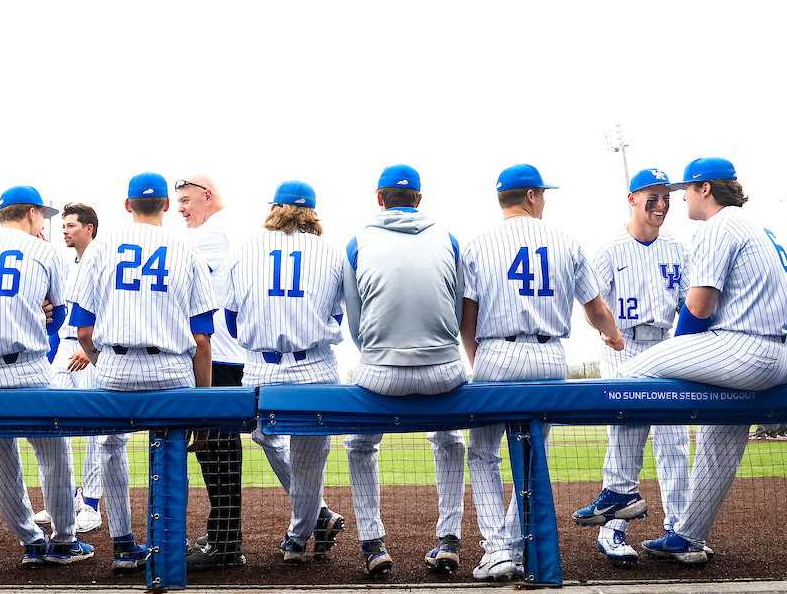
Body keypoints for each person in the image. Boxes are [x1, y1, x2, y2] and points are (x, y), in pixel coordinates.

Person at [460, 164, 624, 583]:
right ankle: (514, 544)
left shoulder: (478, 245)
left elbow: (467, 319)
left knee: (482, 452)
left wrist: (481, 361)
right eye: (543, 194)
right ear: (531, 196)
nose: (545, 201)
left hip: (497, 351)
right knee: (534, 453)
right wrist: (612, 336)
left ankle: (497, 550)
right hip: (551, 358)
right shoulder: (565, 241)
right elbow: (596, 309)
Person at [621, 158, 787, 565]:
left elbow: (698, 308)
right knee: (719, 443)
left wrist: (677, 357)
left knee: (630, 373)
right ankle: (687, 539)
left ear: (706, 189)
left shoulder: (719, 225)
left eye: (686, 190)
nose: (682, 198)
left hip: (743, 349)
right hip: (775, 355)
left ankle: (618, 490)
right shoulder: (761, 229)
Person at [69, 172, 218, 573]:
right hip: (170, 368)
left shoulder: (101, 249)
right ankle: (166, 545)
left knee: (111, 445)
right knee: (170, 445)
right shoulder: (186, 250)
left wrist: (107, 363)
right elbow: (202, 341)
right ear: (167, 206)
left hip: (114, 366)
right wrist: (201, 407)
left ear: (127, 205)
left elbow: (83, 331)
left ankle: (122, 545)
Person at [0, 186, 92, 567]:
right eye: (42, 217)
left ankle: (30, 541)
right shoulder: (44, 252)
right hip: (27, 366)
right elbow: (60, 316)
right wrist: (41, 312)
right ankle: (64, 541)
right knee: (55, 456)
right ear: (31, 214)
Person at [342, 165, 469, 576]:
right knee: (449, 437)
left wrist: (381, 354)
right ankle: (449, 538)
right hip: (444, 371)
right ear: (419, 199)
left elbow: (356, 324)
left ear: (379, 199)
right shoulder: (448, 238)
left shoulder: (357, 241)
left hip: (381, 372)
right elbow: (455, 310)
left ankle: (373, 543)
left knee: (360, 445)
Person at [571, 169, 693, 565]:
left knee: (674, 441)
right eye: (652, 198)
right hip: (623, 344)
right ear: (632, 199)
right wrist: (605, 331)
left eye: (666, 198)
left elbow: (688, 304)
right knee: (627, 432)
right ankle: (613, 531)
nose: (661, 205)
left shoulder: (677, 246)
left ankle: (680, 529)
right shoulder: (609, 248)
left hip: (665, 343)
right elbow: (591, 303)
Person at [223, 181, 345, 567]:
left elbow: (230, 317)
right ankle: (308, 525)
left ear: (274, 208)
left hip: (262, 365)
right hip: (315, 364)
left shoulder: (245, 247)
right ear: (312, 212)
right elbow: (338, 315)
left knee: (263, 432)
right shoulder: (331, 252)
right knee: (309, 458)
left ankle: (299, 534)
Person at [175, 174, 259, 568]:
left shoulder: (211, 235)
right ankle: (223, 534)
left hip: (219, 357)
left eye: (186, 200)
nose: (180, 209)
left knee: (217, 449)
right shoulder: (228, 230)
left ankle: (226, 544)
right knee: (217, 449)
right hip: (227, 354)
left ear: (207, 196)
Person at [45, 203, 105, 533]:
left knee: (97, 429)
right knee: (53, 420)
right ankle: (65, 498)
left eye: (71, 225)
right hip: (66, 348)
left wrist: (90, 346)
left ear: (89, 229)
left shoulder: (103, 262)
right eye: (64, 225)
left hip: (90, 349)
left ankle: (92, 505)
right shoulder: (67, 266)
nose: (65, 230)